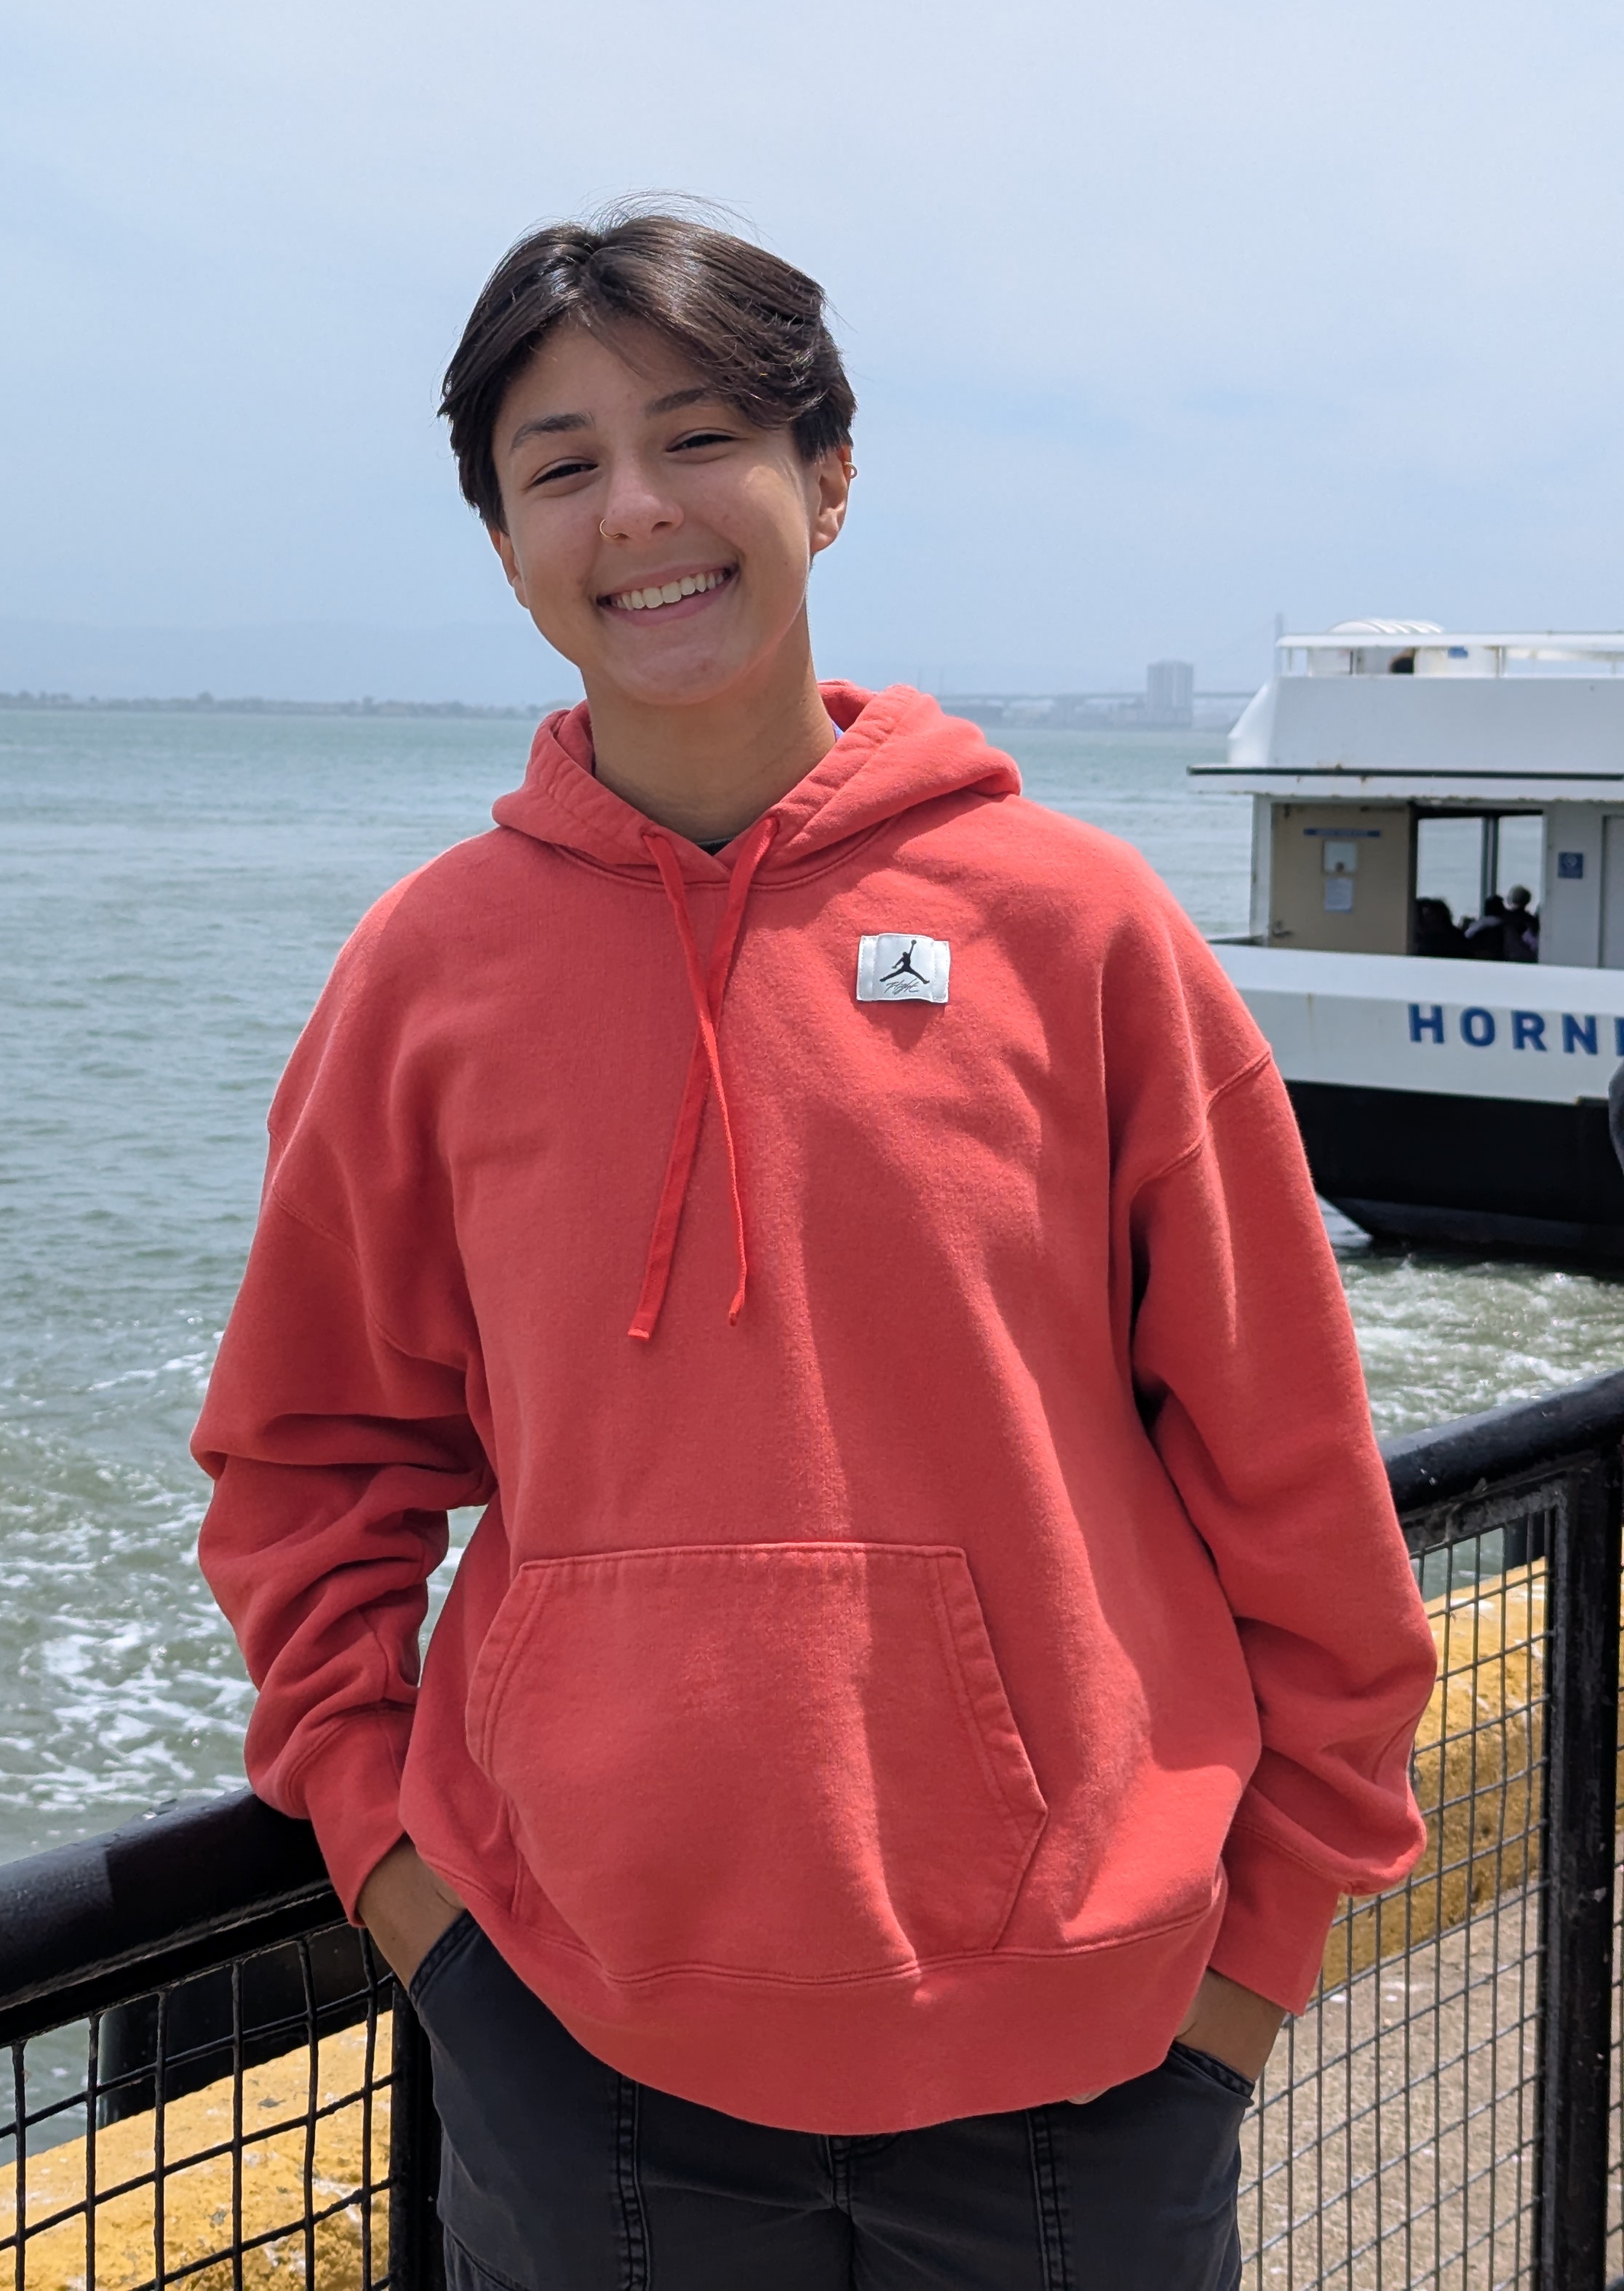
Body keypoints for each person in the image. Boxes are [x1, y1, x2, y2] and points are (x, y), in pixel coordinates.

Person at [192, 214, 1435, 2290]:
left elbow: (1296, 1489)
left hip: (1093, 2071)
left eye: (699, 437)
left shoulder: (1080, 933)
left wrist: (1250, 1978)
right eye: (561, 463)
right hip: (576, 2051)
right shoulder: (427, 978)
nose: (641, 512)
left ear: (826, 480)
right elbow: (310, 1468)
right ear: (502, 543)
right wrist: (413, 1894)